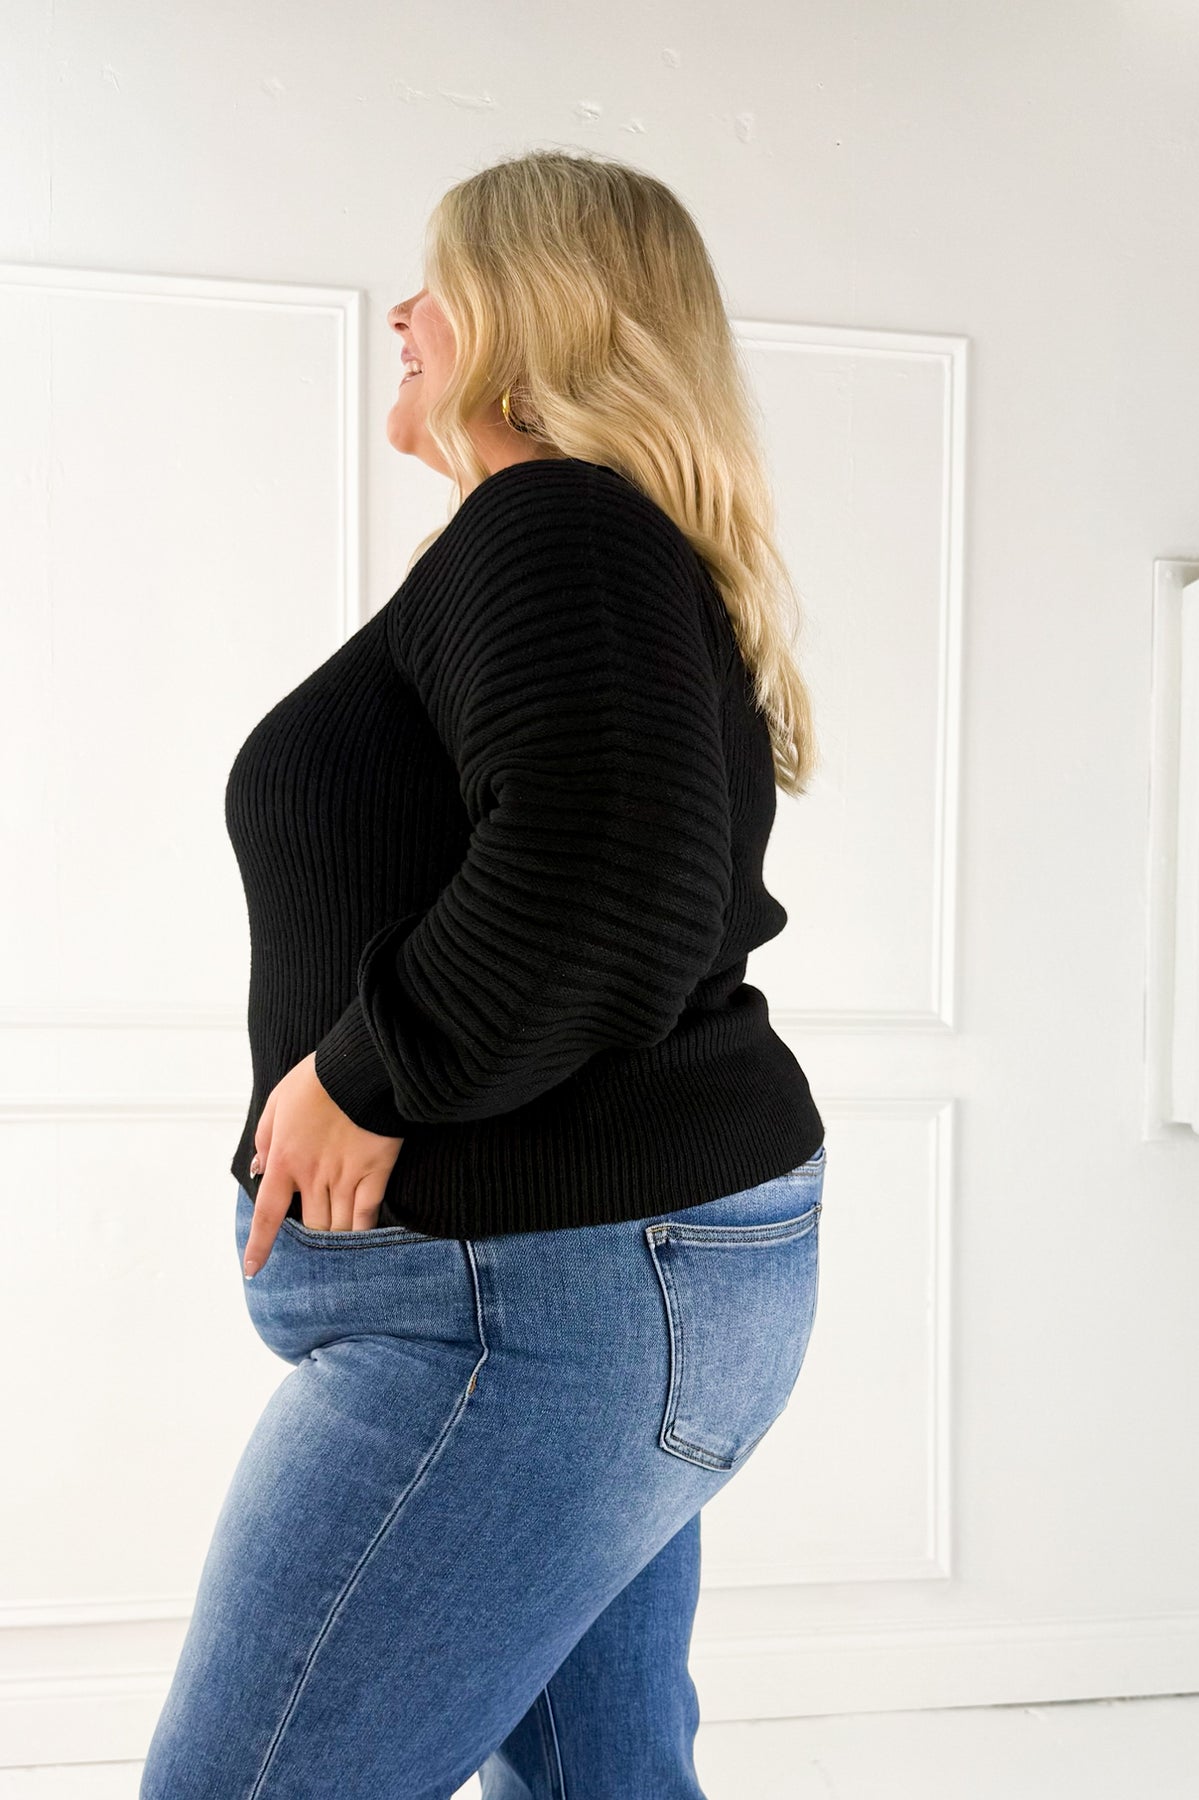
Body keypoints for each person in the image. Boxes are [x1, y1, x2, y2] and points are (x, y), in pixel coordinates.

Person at [140, 146, 827, 1800]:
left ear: (535, 311)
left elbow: (610, 868)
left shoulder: (558, 525)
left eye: (439, 282)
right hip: (590, 1286)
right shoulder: (588, 546)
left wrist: (363, 1071)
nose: (403, 313)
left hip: (531, 1313)